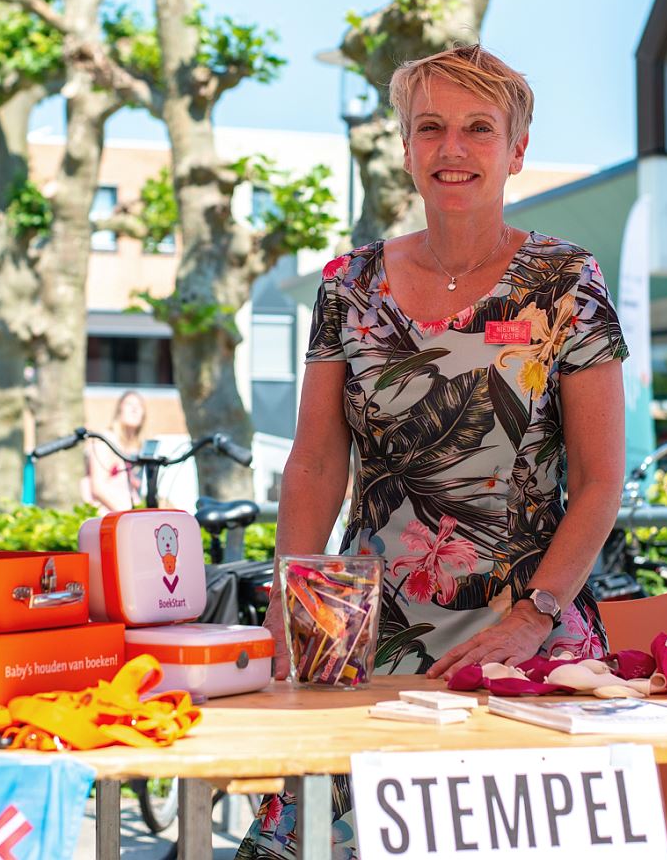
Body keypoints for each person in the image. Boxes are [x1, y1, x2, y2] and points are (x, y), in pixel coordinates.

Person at [239, 44, 627, 860]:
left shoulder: (567, 281)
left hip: (524, 633)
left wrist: (537, 617)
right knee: (319, 842)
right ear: (407, 147)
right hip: (366, 635)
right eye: (432, 128)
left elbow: (599, 481)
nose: (454, 149)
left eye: (479, 129)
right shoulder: (348, 285)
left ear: (516, 150)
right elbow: (314, 464)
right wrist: (291, 601)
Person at [83, 390, 147, 512]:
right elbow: (98, 487)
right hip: (109, 517)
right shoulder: (106, 441)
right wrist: (127, 515)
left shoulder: (138, 448)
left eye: (139, 406)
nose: (134, 409)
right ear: (119, 410)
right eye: (129, 404)